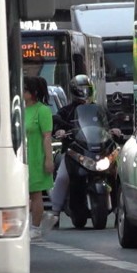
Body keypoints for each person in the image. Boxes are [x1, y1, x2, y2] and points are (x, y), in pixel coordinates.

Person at [41, 74, 96, 231]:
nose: (84, 93)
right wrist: (60, 130)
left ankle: (121, 207)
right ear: (73, 91)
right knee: (62, 177)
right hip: (73, 152)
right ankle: (55, 212)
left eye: (87, 90)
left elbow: (107, 120)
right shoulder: (66, 110)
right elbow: (56, 121)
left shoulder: (96, 109)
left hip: (93, 152)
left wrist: (114, 128)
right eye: (81, 90)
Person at [24, 76, 54, 239]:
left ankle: (35, 227)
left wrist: (48, 160)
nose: (21, 92)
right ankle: (39, 218)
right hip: (21, 158)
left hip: (36, 157)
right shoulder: (19, 109)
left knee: (35, 194)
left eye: (25, 89)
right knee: (22, 194)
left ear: (34, 92)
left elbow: (47, 137)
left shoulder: (42, 110)